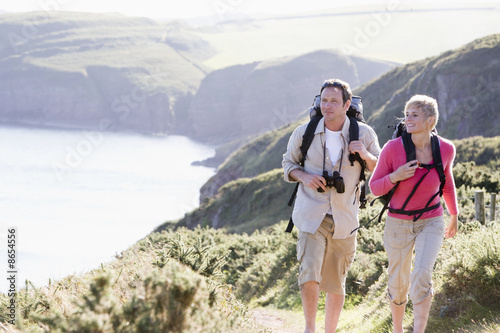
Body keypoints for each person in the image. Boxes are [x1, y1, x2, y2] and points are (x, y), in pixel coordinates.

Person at [282, 78, 381, 332]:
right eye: (324, 100)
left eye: (334, 101)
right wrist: (305, 177)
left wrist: (365, 155)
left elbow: (379, 169)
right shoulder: (303, 133)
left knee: (337, 282)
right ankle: (310, 328)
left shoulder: (364, 133)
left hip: (345, 218)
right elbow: (288, 165)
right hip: (310, 214)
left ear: (347, 104)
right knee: (310, 273)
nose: (327, 106)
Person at [369, 94, 459, 333]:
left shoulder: (446, 149)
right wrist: (395, 177)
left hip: (431, 219)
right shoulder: (392, 148)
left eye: (414, 115)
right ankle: (397, 330)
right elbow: (375, 186)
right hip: (397, 222)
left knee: (421, 273)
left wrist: (454, 214)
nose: (408, 119)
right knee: (398, 283)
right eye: (406, 114)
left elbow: (447, 182)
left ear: (431, 120)